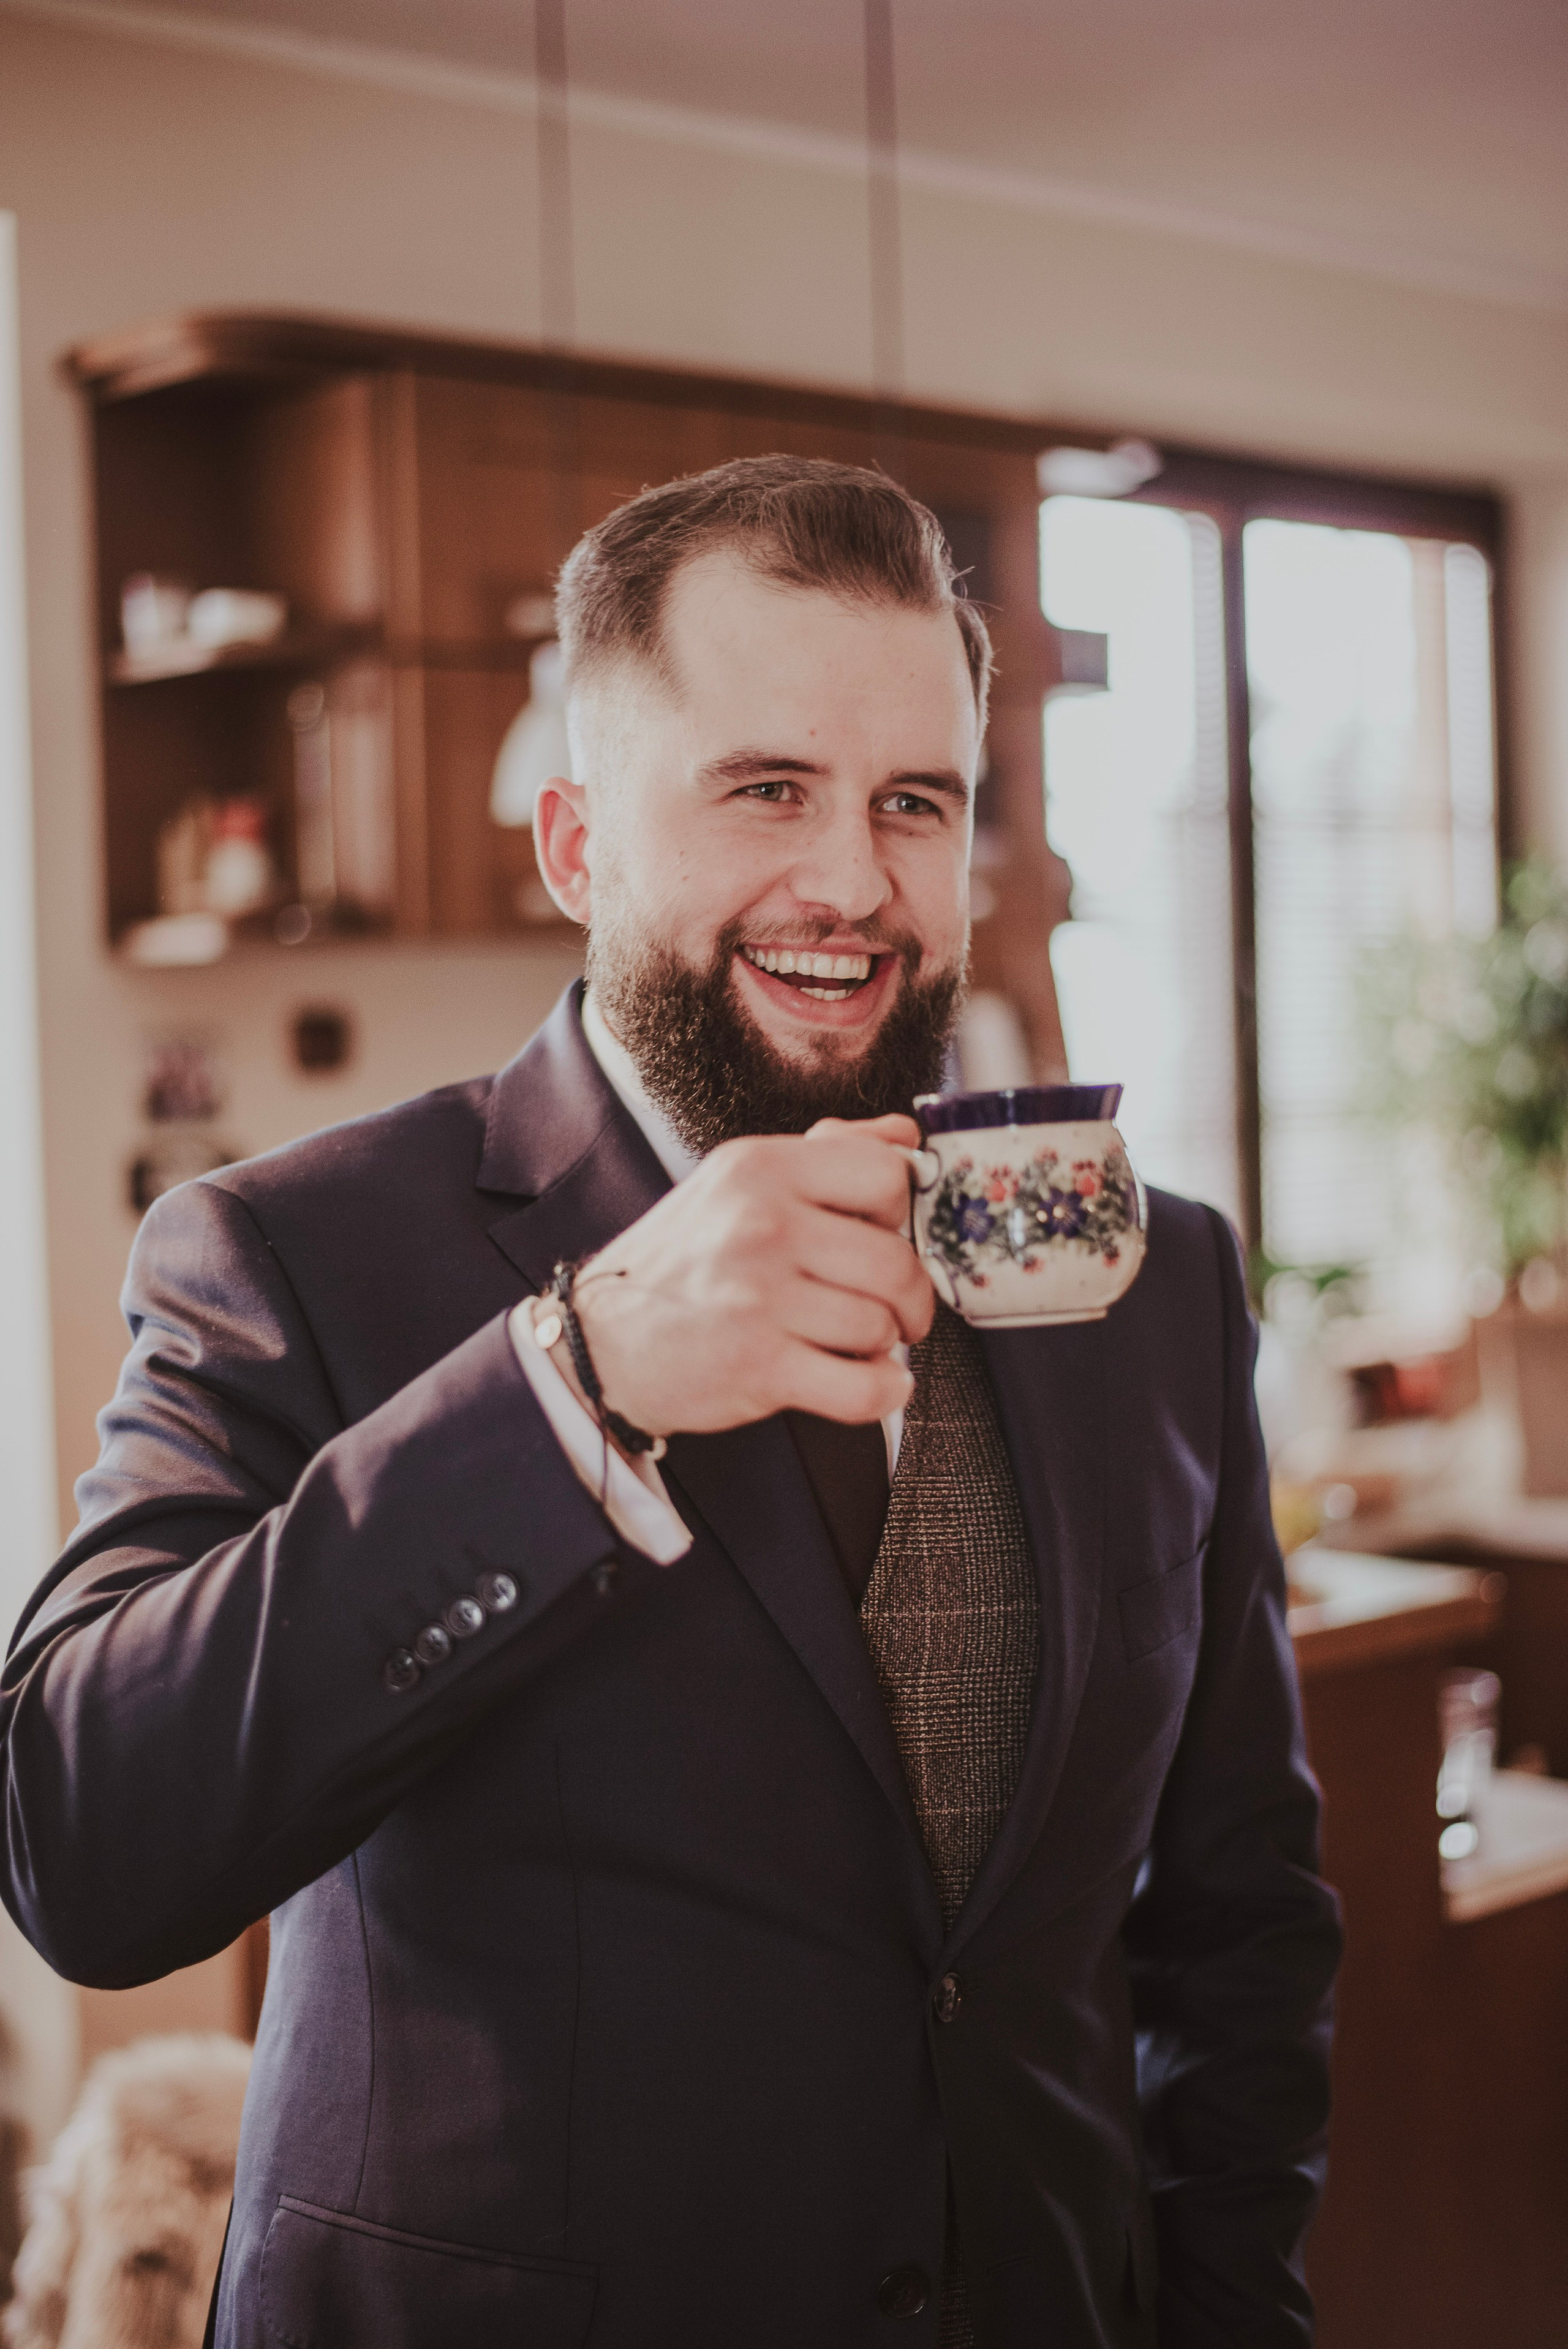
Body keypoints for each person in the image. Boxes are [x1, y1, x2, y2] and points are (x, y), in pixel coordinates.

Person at [0, 456, 1339, 2348]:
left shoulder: (1153, 1275)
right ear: (575, 845)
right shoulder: (294, 1253)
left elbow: (1240, 1924)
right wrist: (578, 1379)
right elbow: (80, 1841)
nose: (853, 880)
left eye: (914, 801)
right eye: (767, 788)